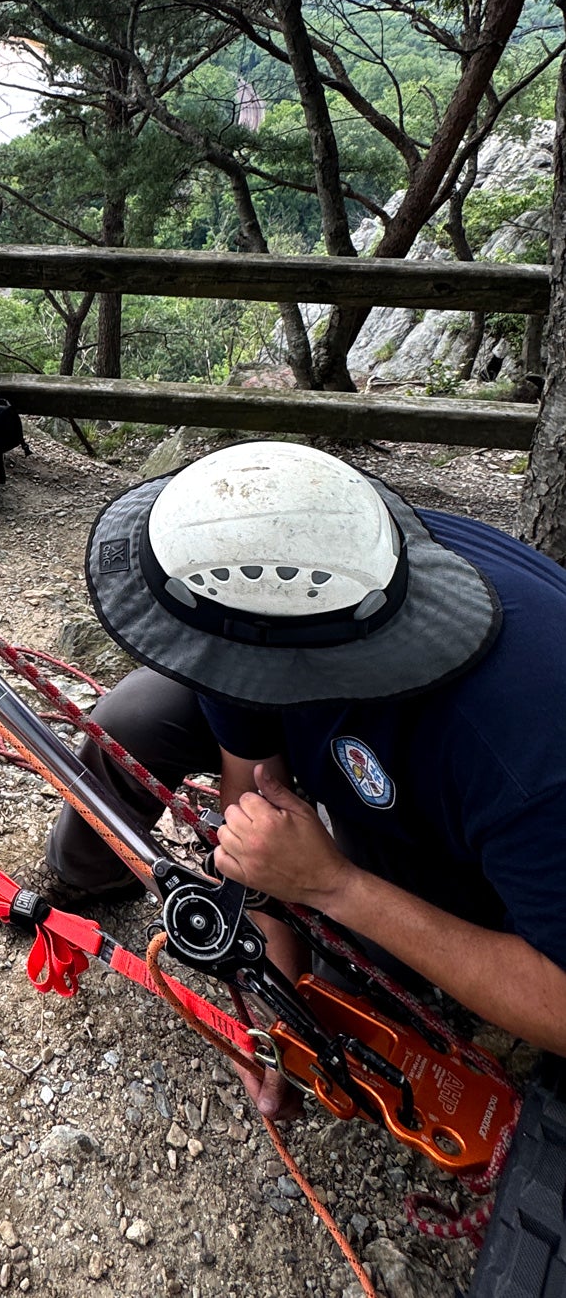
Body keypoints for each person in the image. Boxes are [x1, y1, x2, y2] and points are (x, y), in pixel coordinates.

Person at [33, 440, 566, 1113]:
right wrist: (273, 1004)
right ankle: (83, 872)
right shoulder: (264, 589)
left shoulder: (527, 753)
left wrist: (333, 886)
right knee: (134, 718)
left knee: (354, 978)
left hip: (458, 823)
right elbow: (250, 796)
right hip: (360, 735)